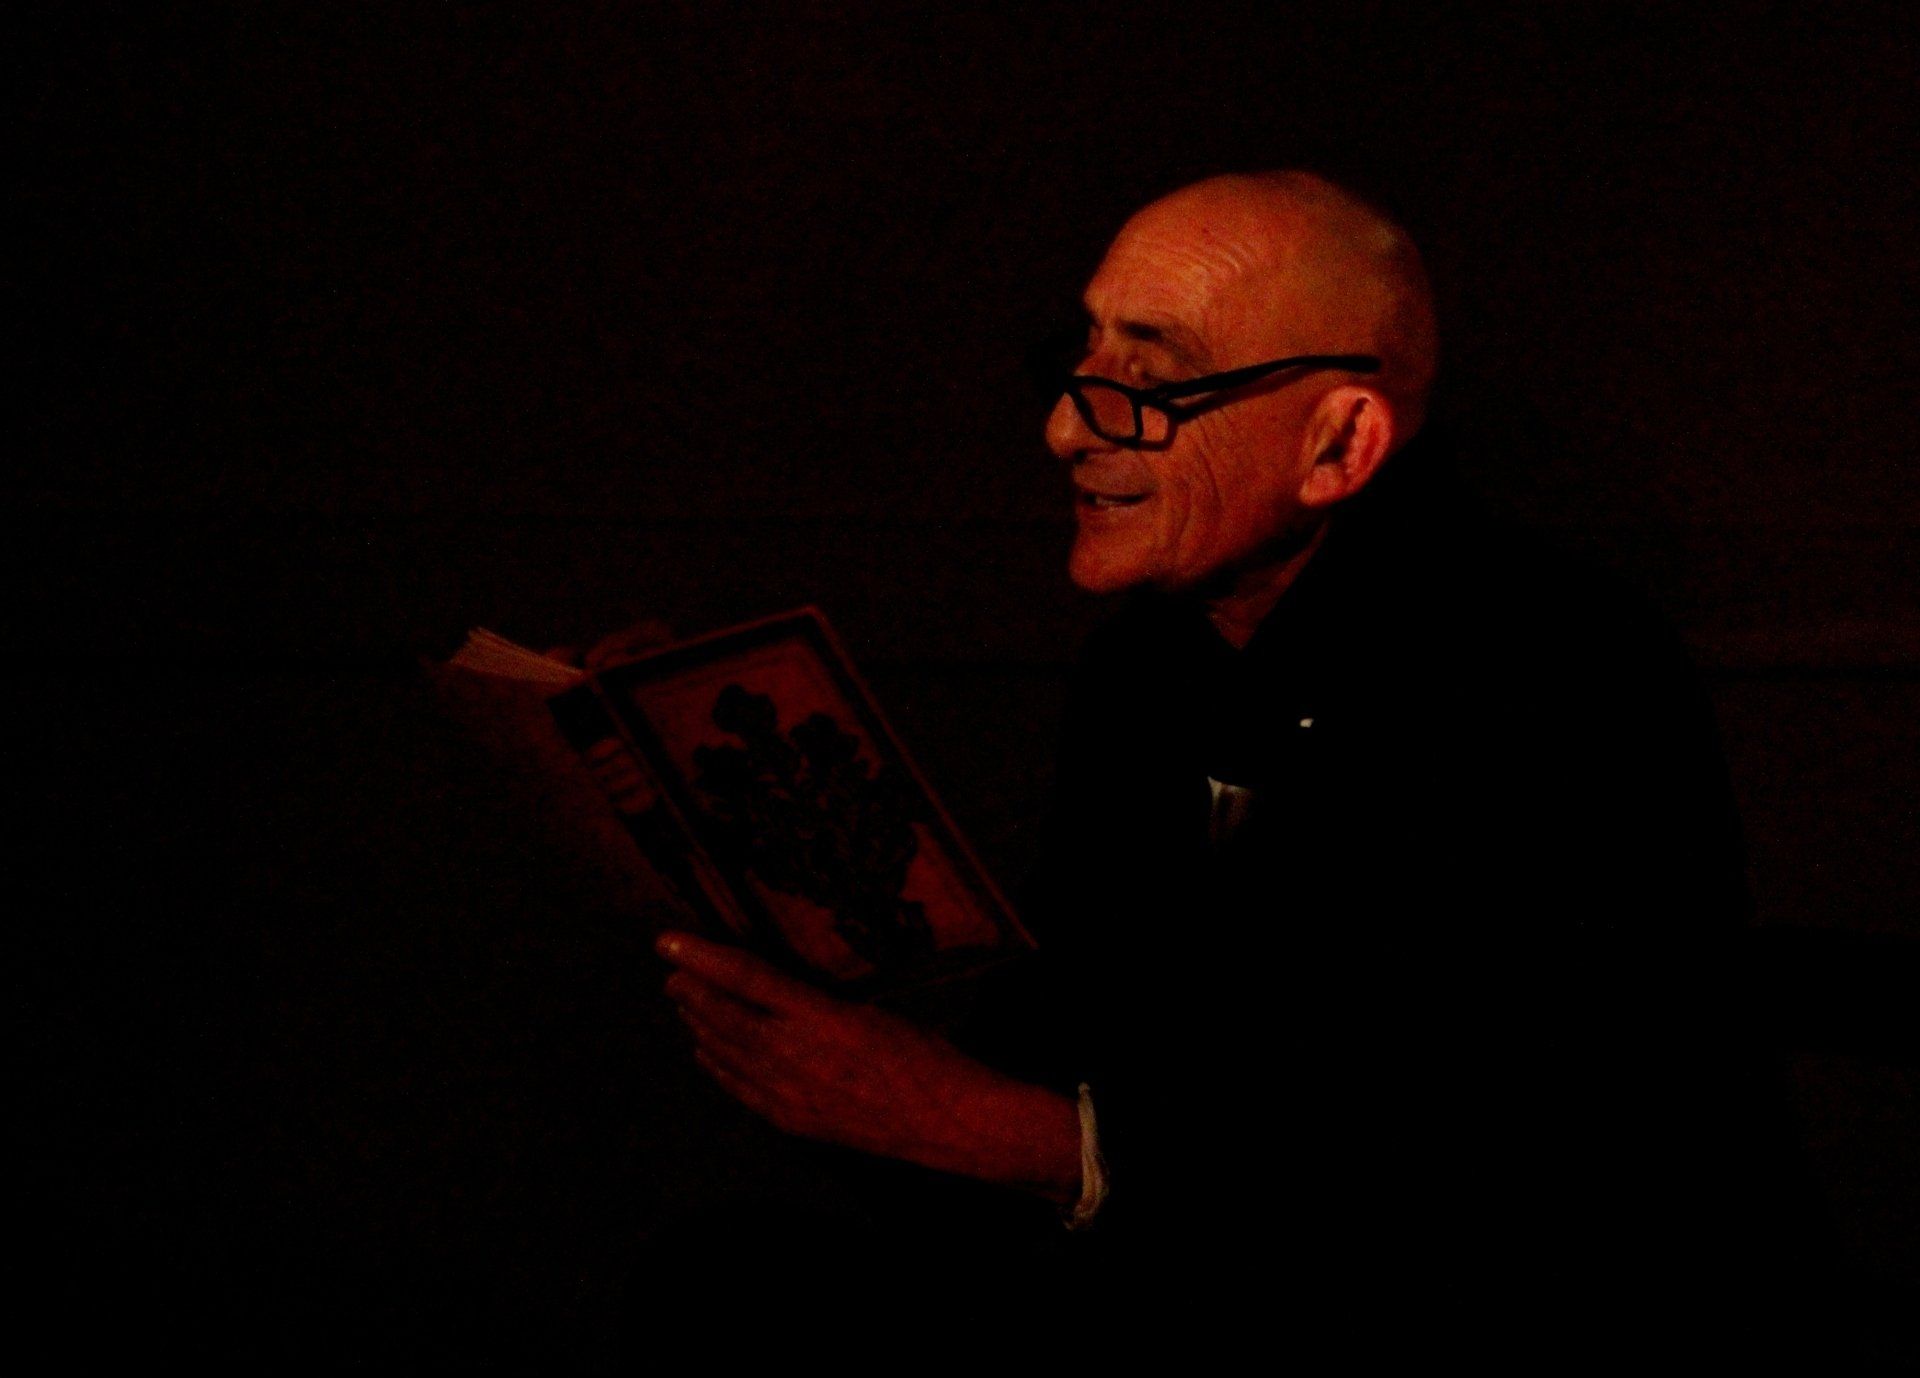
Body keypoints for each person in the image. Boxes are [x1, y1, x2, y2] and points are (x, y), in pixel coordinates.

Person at [656, 172, 1812, 1351]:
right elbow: (1053, 1034)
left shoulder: (1547, 668)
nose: (1066, 429)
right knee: (729, 1278)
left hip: (1504, 1333)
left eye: (1148, 383)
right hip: (1178, 1290)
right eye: (1079, 356)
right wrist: (742, 861)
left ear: (1340, 442)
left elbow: (1477, 1156)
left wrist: (1002, 1133)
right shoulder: (1150, 660)